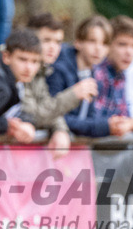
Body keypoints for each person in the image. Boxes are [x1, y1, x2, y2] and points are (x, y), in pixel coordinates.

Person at [25, 12, 97, 156]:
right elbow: (33, 115)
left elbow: (45, 104)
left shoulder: (42, 71)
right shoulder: (23, 71)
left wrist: (60, 129)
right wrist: (73, 94)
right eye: (46, 40)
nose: (53, 47)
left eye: (58, 42)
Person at [65, 15, 133, 138]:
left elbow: (120, 118)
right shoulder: (96, 72)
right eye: (122, 44)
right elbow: (96, 122)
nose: (129, 52)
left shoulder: (121, 74)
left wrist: (127, 124)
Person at [48, 14, 110, 96]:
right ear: (78, 43)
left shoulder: (96, 72)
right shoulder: (59, 69)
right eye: (92, 41)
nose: (98, 48)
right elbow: (52, 102)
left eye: (104, 43)